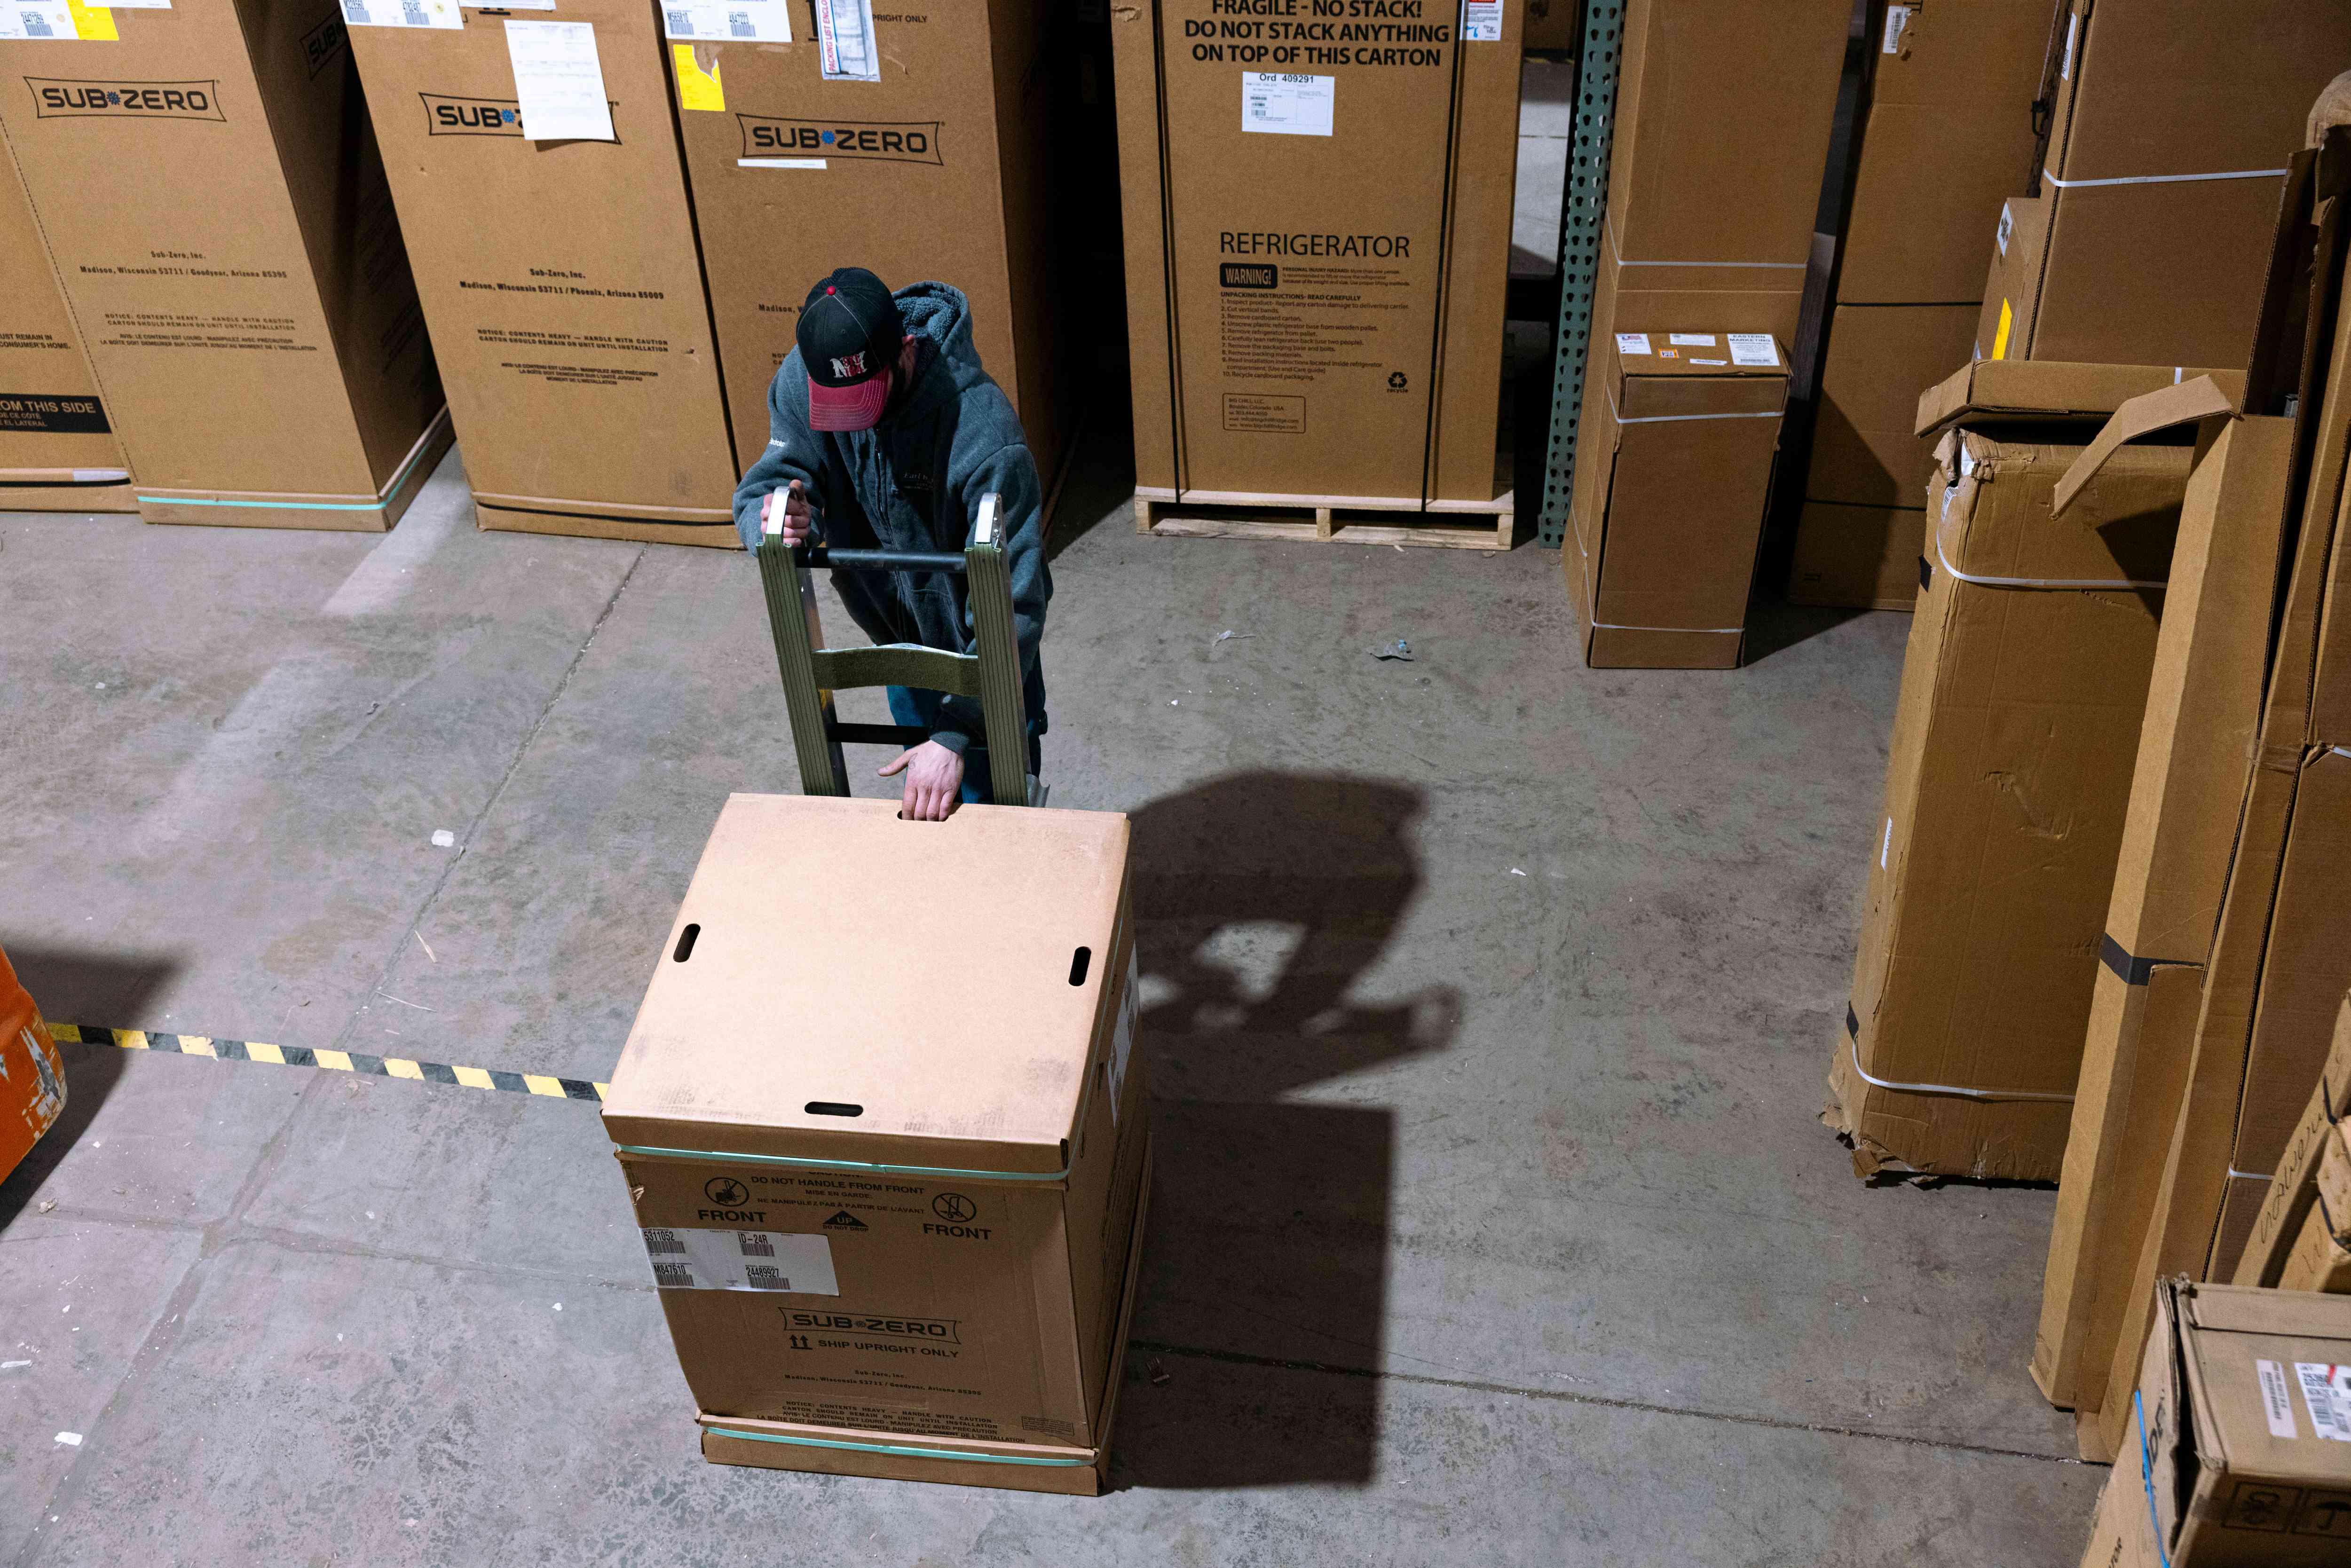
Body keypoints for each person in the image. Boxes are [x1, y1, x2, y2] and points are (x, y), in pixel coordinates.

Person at [734, 268, 1050, 821]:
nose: (856, 419)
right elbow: (767, 481)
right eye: (840, 405)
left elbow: (1016, 602)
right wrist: (772, 523)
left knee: (994, 816)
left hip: (983, 648)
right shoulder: (803, 379)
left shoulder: (985, 439)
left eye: (866, 399)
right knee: (927, 806)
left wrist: (957, 732)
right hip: (893, 636)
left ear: (905, 349)